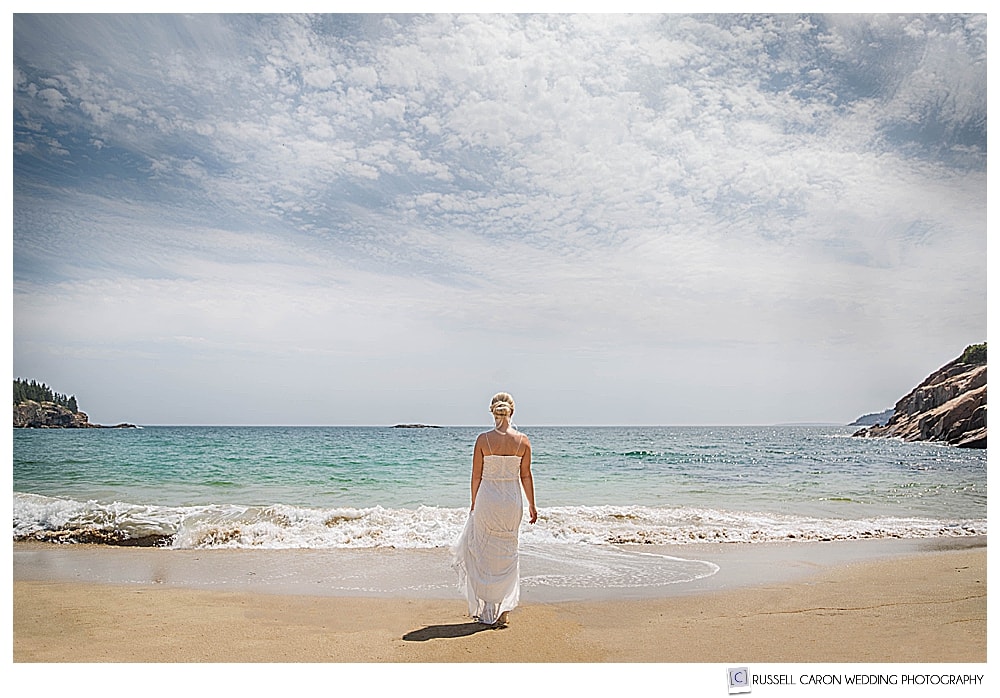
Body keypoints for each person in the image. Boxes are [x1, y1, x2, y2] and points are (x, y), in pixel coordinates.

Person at [452, 392, 537, 626]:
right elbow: (526, 476)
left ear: (493, 412)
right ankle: (504, 610)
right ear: (512, 412)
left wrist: (473, 502)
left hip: (487, 500)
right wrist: (532, 504)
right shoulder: (523, 440)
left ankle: (489, 607)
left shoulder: (483, 440)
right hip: (511, 501)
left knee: (485, 552)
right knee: (508, 552)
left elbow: (476, 475)